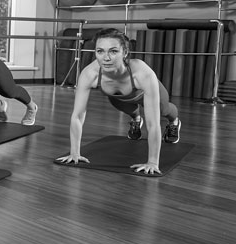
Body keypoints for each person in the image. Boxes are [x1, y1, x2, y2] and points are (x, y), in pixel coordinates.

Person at [56, 28, 182, 175]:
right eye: (100, 51)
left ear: (125, 53)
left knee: (163, 110)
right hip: (120, 97)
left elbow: (153, 124)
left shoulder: (142, 73)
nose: (106, 58)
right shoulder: (89, 74)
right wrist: (75, 153)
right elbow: (77, 115)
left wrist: (152, 162)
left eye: (113, 51)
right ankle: (136, 119)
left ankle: (174, 122)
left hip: (143, 92)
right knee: (121, 105)